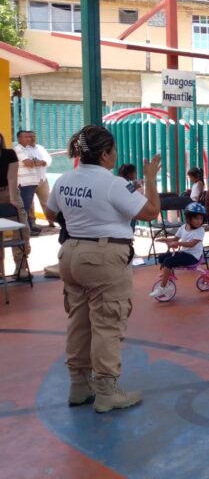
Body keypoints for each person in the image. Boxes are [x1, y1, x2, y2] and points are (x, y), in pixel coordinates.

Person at [44, 125, 161, 413]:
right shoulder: (113, 183)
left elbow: (50, 212)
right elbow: (150, 212)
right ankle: (107, 392)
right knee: (108, 323)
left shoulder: (65, 179)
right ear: (106, 154)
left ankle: (79, 386)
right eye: (114, 151)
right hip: (104, 256)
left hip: (70, 254)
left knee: (79, 321)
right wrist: (150, 178)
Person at [149, 202, 206, 299]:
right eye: (196, 218)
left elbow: (191, 244)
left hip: (193, 257)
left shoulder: (200, 230)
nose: (199, 221)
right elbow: (175, 239)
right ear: (188, 218)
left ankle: (163, 287)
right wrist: (165, 240)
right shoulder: (183, 227)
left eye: (201, 218)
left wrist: (177, 244)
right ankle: (168, 274)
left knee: (168, 262)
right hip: (184, 253)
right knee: (162, 257)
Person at [0, 132, 30, 279]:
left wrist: (13, 199)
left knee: (22, 229)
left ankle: (21, 267)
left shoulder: (9, 154)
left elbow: (11, 177)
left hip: (8, 192)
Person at [14, 130, 49, 235]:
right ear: (19, 139)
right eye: (25, 137)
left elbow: (41, 161)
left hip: (31, 182)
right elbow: (29, 163)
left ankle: (30, 227)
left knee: (27, 207)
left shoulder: (27, 150)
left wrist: (36, 162)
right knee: (24, 207)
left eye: (29, 137)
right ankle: (26, 231)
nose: (28, 139)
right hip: (25, 183)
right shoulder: (18, 149)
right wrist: (37, 162)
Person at [28, 131, 54, 228]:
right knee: (30, 204)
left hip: (43, 180)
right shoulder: (24, 150)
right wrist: (36, 162)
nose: (32, 138)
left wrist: (43, 162)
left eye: (34, 136)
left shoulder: (40, 148)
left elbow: (48, 160)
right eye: (30, 136)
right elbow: (29, 162)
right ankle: (32, 223)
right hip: (30, 181)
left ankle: (51, 221)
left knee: (47, 202)